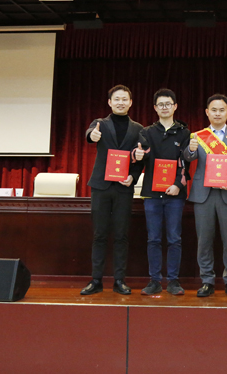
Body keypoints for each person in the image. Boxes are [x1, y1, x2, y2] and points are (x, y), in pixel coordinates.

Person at [81, 84, 146, 296]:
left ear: (130, 102)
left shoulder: (138, 129)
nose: (120, 102)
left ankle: (119, 280)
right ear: (110, 102)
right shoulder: (99, 123)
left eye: (124, 99)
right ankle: (96, 280)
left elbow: (140, 158)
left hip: (123, 188)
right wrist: (92, 136)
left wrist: (133, 176)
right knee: (99, 234)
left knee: (121, 235)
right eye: (116, 99)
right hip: (101, 187)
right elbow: (89, 134)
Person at [183, 94, 227, 297]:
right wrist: (190, 150)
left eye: (221, 110)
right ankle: (207, 280)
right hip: (204, 195)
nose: (217, 113)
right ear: (207, 112)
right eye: (214, 110)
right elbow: (188, 158)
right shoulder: (198, 136)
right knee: (204, 240)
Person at [137, 89, 189, 296]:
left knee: (174, 238)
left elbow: (185, 163)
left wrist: (178, 184)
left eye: (168, 104)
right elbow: (140, 155)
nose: (165, 107)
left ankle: (174, 281)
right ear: (155, 108)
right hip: (152, 194)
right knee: (153, 239)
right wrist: (137, 154)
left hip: (175, 194)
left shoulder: (184, 133)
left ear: (175, 106)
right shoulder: (146, 132)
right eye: (161, 104)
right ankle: (155, 280)